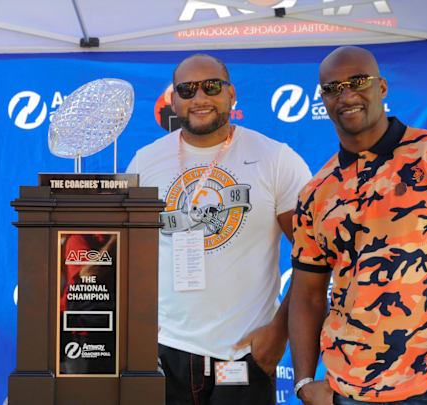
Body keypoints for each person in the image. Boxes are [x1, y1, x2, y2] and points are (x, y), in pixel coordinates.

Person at [289, 46, 427, 405]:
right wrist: (304, 381)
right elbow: (307, 295)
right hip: (347, 391)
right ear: (323, 98)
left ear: (382, 87)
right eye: (333, 88)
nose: (346, 94)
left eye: (358, 82)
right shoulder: (317, 192)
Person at [127, 53, 311, 404]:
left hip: (242, 353)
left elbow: (313, 257)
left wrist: (280, 330)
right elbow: (128, 255)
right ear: (173, 100)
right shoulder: (145, 161)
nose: (199, 98)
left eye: (211, 86)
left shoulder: (276, 158)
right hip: (164, 350)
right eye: (186, 89)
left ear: (231, 94)